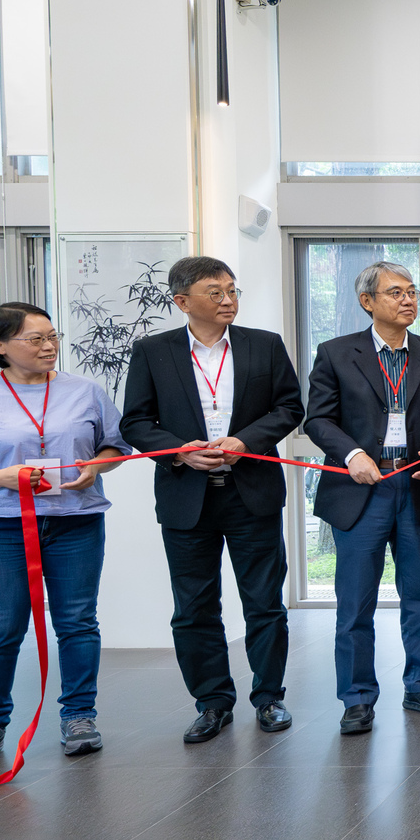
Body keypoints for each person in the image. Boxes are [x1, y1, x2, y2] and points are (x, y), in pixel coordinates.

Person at [0, 303, 126, 768]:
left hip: (75, 520)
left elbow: (115, 444)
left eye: (52, 336)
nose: (49, 346)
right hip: (1, 527)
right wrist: (2, 477)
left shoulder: (86, 392)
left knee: (77, 621)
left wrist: (97, 465)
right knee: (0, 628)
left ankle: (80, 717)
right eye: (34, 339)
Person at [122, 256, 305, 744]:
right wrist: (176, 453)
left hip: (252, 494)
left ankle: (269, 697)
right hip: (187, 497)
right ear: (182, 301)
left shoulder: (263, 345)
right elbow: (135, 422)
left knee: (264, 603)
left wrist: (246, 441)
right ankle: (212, 702)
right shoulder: (153, 351)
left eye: (232, 290)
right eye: (215, 292)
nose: (228, 300)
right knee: (194, 607)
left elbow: (290, 406)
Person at [303, 260, 420, 735]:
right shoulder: (334, 353)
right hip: (359, 488)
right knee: (355, 604)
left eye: (412, 292)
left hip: (415, 485)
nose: (408, 300)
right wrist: (351, 454)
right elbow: (318, 420)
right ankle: (357, 697)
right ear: (367, 302)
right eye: (395, 293)